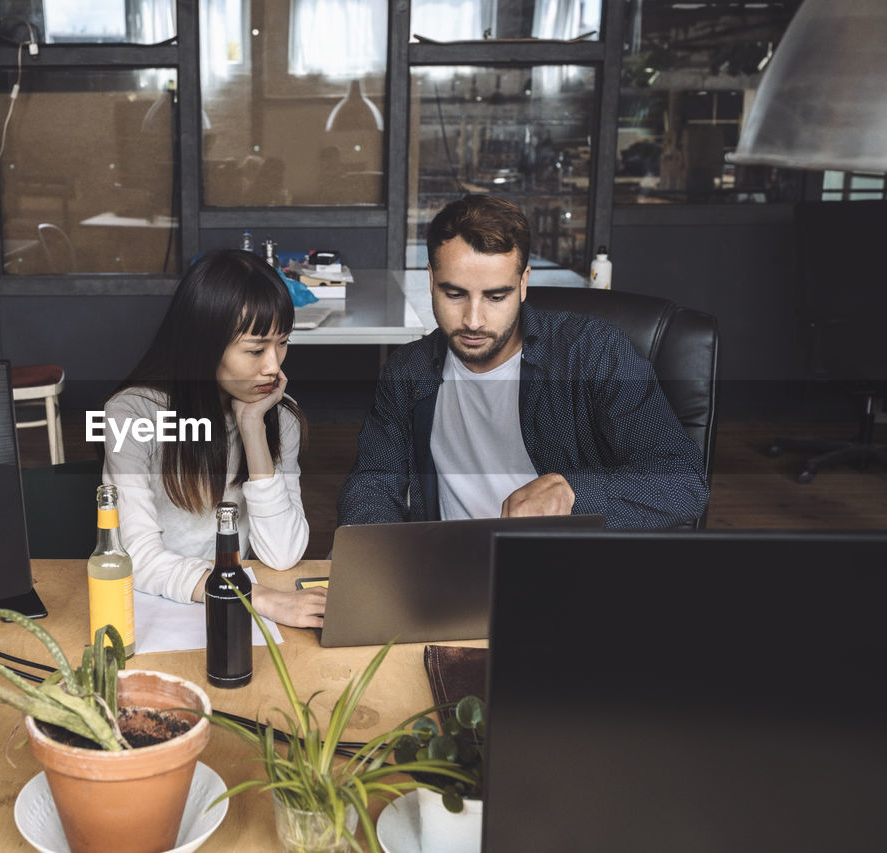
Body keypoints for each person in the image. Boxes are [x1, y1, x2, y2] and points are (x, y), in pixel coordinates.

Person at [338, 195, 709, 528]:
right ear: (431, 280)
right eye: (454, 294)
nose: (473, 320)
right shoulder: (407, 370)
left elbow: (683, 483)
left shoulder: (594, 353)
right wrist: (373, 549)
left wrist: (572, 492)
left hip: (564, 571)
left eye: (496, 296)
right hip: (450, 573)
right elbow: (374, 481)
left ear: (524, 283)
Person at [103, 249, 326, 628]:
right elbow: (135, 556)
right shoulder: (133, 414)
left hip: (230, 611)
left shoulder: (278, 416)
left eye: (283, 343)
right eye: (256, 349)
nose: (273, 366)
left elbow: (283, 554)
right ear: (205, 346)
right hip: (158, 609)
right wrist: (260, 598)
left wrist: (253, 428)